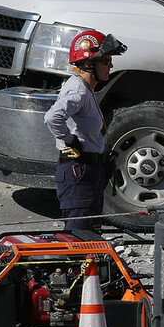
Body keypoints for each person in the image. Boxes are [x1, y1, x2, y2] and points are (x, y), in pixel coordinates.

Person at [44, 30, 127, 232]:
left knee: (88, 234)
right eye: (106, 61)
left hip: (87, 173)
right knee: (78, 238)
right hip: (78, 173)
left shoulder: (85, 89)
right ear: (89, 63)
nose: (111, 66)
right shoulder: (78, 90)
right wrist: (70, 141)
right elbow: (52, 117)